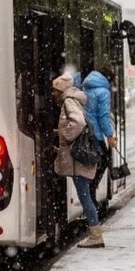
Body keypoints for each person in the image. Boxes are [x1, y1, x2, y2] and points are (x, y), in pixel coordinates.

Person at [52, 72, 105, 248]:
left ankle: (95, 235)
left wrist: (66, 137)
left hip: (77, 160)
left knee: (85, 198)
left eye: (54, 90)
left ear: (61, 90)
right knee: (86, 196)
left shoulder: (68, 101)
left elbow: (78, 122)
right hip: (80, 159)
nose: (53, 94)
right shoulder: (74, 99)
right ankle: (95, 234)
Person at [81, 68, 118, 209]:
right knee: (104, 161)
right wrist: (109, 135)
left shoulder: (85, 87)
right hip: (95, 133)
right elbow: (103, 117)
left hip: (85, 133)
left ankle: (90, 191)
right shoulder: (103, 92)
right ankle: (91, 192)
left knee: (92, 163)